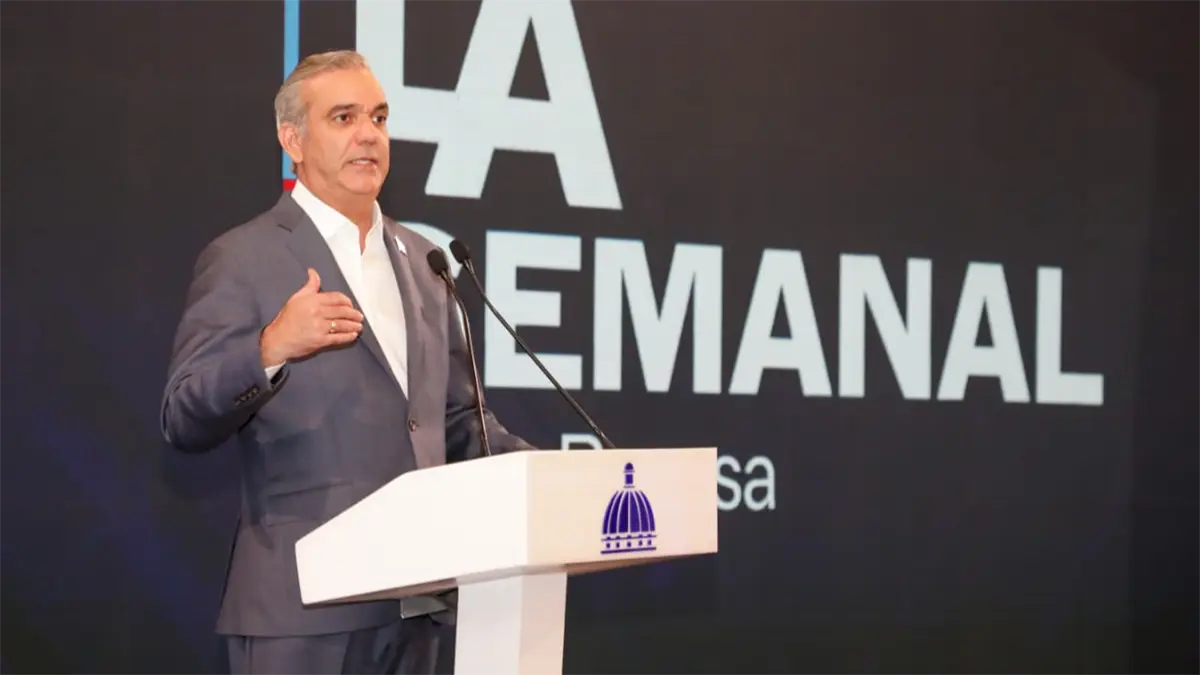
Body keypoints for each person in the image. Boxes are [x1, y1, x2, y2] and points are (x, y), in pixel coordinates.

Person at [159, 49, 535, 675]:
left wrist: (548, 474)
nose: (368, 134)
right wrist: (269, 349)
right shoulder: (244, 258)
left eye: (379, 118)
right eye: (343, 117)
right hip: (302, 611)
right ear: (292, 140)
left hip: (418, 600)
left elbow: (458, 425)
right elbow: (182, 416)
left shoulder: (426, 262)